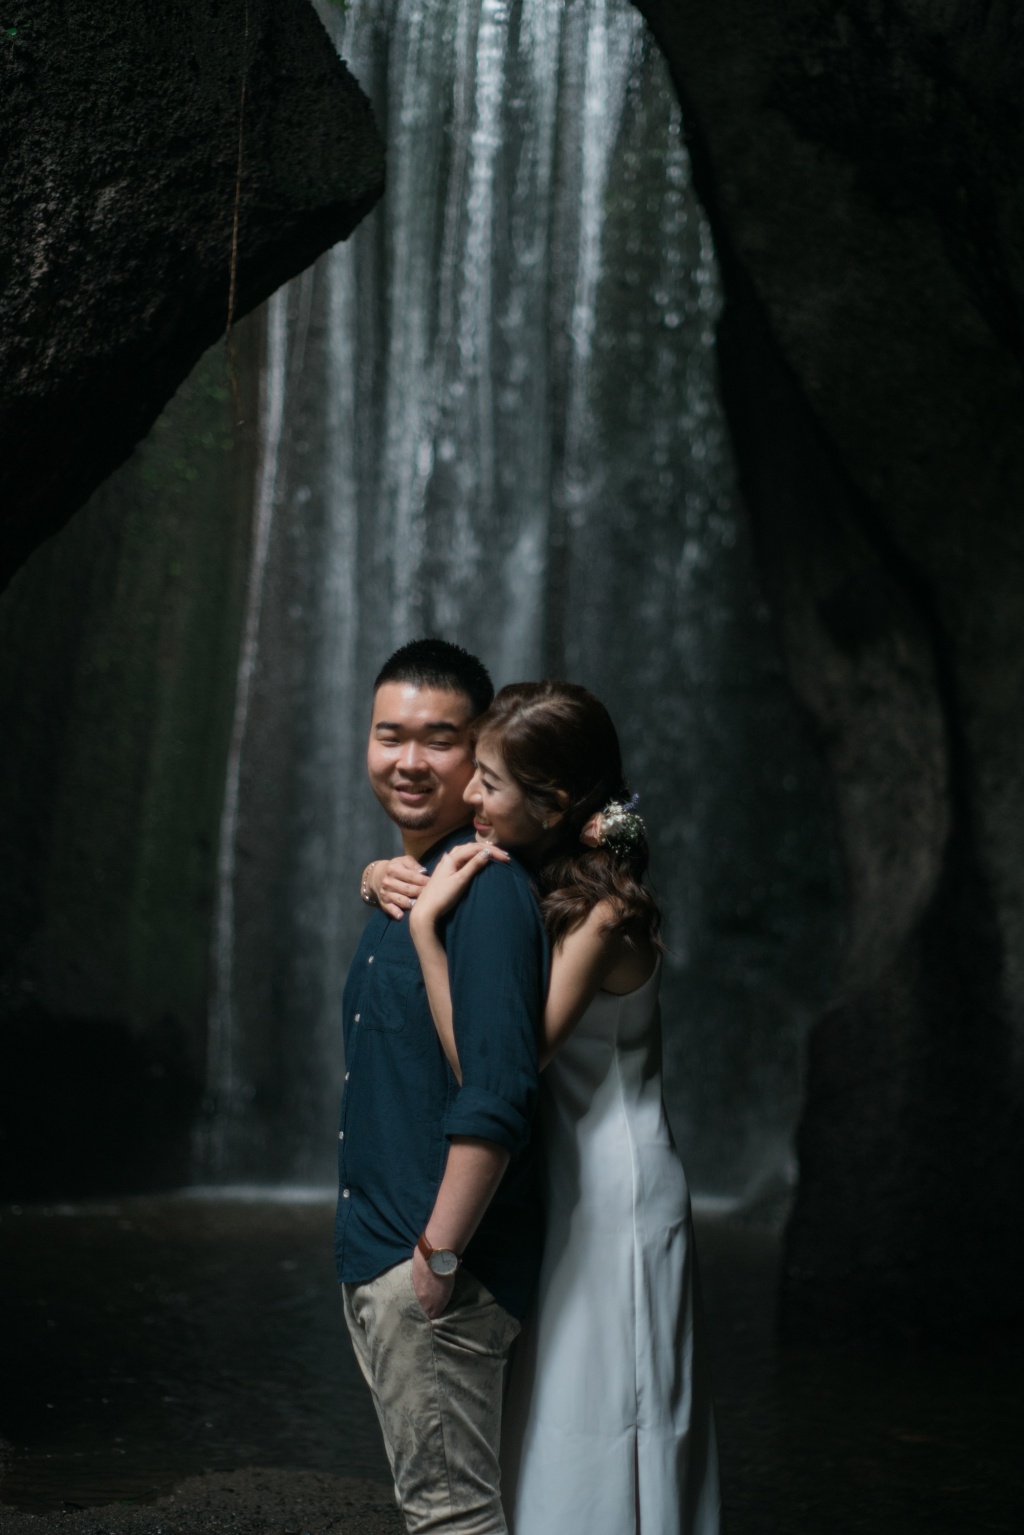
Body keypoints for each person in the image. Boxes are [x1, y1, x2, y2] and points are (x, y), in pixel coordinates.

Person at [363, 680, 721, 1535]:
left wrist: (424, 940)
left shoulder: (602, 911)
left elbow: (499, 1070)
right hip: (563, 1174)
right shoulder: (542, 868)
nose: (468, 795)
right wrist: (379, 870)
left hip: (616, 1189)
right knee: (552, 1401)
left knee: (606, 1406)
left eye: (487, 780)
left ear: (556, 802)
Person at [337, 640, 549, 1535]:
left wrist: (437, 1261)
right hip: (391, 1256)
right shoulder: (414, 882)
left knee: (453, 1520)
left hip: (431, 1272)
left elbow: (499, 1090)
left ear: (480, 756)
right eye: (391, 735)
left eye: (440, 738)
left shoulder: (485, 893)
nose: (410, 760)